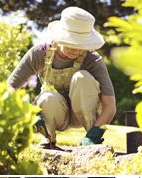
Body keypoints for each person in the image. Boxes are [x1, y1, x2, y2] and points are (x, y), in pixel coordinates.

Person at [7, 7, 116, 149]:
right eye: (71, 42)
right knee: (47, 97)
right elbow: (9, 89)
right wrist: (28, 111)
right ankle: (49, 139)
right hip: (54, 113)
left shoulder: (93, 60)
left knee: (82, 78)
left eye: (80, 44)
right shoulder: (39, 54)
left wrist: (95, 133)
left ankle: (90, 143)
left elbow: (110, 105)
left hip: (83, 115)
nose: (75, 49)